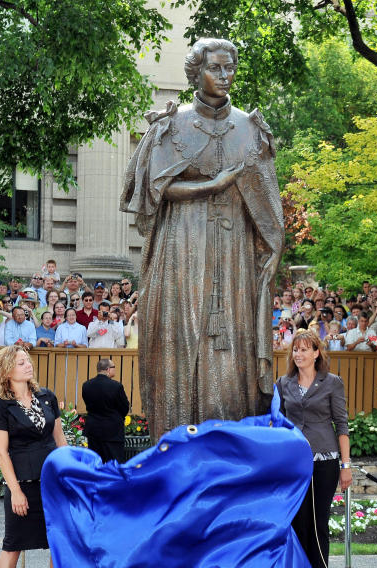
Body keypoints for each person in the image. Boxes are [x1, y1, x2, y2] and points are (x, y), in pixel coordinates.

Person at [121, 37, 284, 439]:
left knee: (231, 347)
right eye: (216, 68)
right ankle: (175, 440)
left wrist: (271, 249)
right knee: (177, 341)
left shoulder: (249, 127)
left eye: (230, 68)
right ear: (196, 73)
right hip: (181, 246)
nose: (225, 76)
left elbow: (268, 208)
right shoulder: (171, 125)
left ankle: (230, 446)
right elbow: (154, 190)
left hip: (233, 253)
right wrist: (212, 185)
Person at [0, 345, 68, 568]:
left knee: (57, 545)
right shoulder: (1, 406)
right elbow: (1, 454)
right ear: (7, 371)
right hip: (23, 485)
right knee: (13, 546)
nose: (28, 365)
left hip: (54, 485)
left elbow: (60, 439)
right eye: (21, 362)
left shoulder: (47, 397)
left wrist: (70, 475)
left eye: (28, 361)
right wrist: (16, 490)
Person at [274, 330, 351, 568]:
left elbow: (342, 425)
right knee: (298, 527)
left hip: (325, 463)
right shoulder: (283, 383)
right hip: (295, 464)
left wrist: (346, 465)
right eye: (296, 349)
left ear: (317, 353)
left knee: (319, 527)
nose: (299, 354)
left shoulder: (332, 383)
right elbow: (279, 424)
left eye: (305, 349)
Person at [81, 358, 131, 463]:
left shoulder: (86, 385)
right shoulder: (116, 386)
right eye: (114, 367)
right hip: (112, 432)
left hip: (93, 430)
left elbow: (88, 404)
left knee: (95, 464)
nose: (115, 370)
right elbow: (125, 407)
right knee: (114, 465)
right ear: (108, 369)